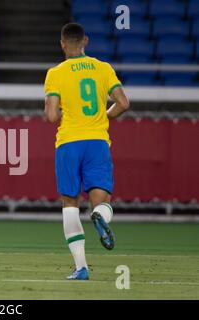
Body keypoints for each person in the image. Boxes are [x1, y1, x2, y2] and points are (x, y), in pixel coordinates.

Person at [44, 23, 130, 280]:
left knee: (69, 204)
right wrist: (103, 116)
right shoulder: (103, 68)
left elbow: (50, 116)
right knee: (102, 201)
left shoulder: (55, 73)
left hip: (69, 142)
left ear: (62, 43)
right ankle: (99, 215)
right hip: (97, 142)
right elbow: (124, 103)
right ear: (86, 41)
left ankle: (81, 268)